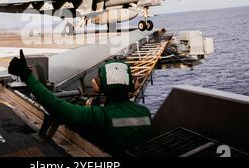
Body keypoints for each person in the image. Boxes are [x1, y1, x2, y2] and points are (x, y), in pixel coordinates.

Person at [8, 50, 152, 156]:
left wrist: (27, 76)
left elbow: (55, 106)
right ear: (131, 84)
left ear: (100, 86)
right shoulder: (144, 113)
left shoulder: (98, 115)